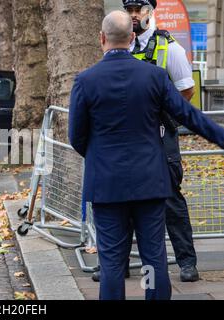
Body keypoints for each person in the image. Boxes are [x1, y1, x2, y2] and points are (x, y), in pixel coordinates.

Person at [69, 11, 224, 300]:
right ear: (131, 39)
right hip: (150, 181)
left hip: (106, 184)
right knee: (154, 260)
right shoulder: (154, 76)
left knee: (113, 263)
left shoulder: (86, 81)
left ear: (102, 38)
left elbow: (76, 136)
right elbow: (189, 116)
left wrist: (101, 158)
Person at [92, 0, 199, 283]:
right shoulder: (119, 45)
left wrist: (163, 113)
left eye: (139, 9)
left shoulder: (169, 47)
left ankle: (187, 262)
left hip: (161, 135)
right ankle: (116, 265)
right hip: (128, 136)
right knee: (123, 200)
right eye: (129, 10)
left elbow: (186, 88)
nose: (134, 15)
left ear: (151, 12)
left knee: (170, 200)